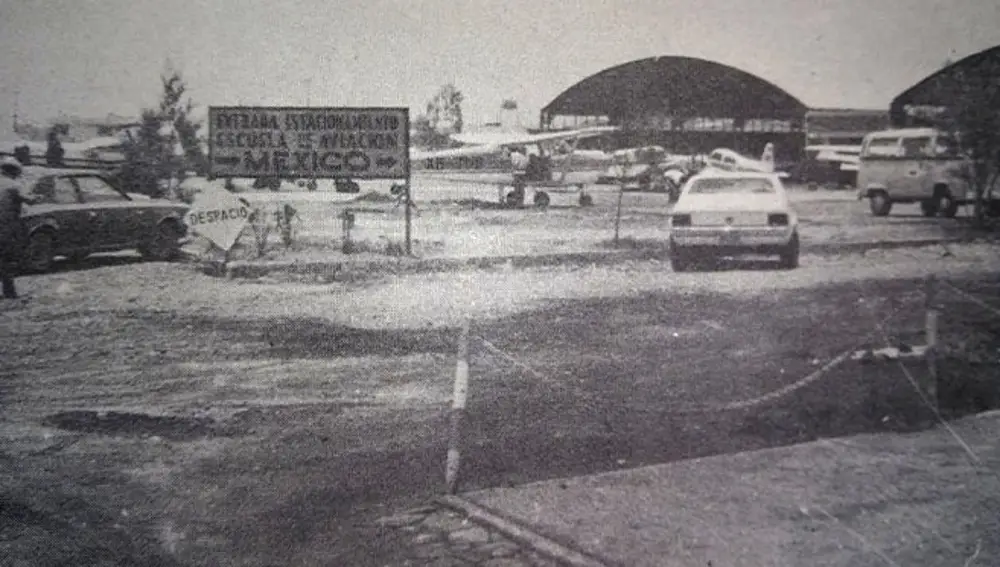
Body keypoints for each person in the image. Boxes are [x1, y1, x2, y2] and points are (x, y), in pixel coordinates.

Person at [0, 157, 37, 299]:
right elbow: (30, 200)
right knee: (6, 258)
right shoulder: (14, 185)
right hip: (6, 226)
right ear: (15, 172)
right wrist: (36, 195)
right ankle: (9, 292)